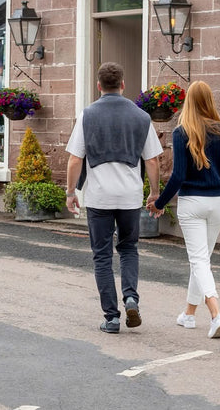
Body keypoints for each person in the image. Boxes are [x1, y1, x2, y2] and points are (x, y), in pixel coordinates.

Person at [66, 62, 163, 334]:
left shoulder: (87, 115)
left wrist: (71, 192)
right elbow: (152, 161)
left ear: (99, 86)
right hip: (130, 196)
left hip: (99, 197)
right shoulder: (142, 117)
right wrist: (154, 193)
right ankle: (131, 297)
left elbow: (75, 159)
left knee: (102, 256)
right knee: (129, 248)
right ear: (123, 84)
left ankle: (112, 318)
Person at [148, 80, 220, 339]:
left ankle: (216, 314)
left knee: (199, 260)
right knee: (201, 259)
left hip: (192, 202)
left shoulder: (182, 132)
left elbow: (178, 175)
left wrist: (160, 203)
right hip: (218, 202)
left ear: (189, 102)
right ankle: (189, 314)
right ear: (210, 101)